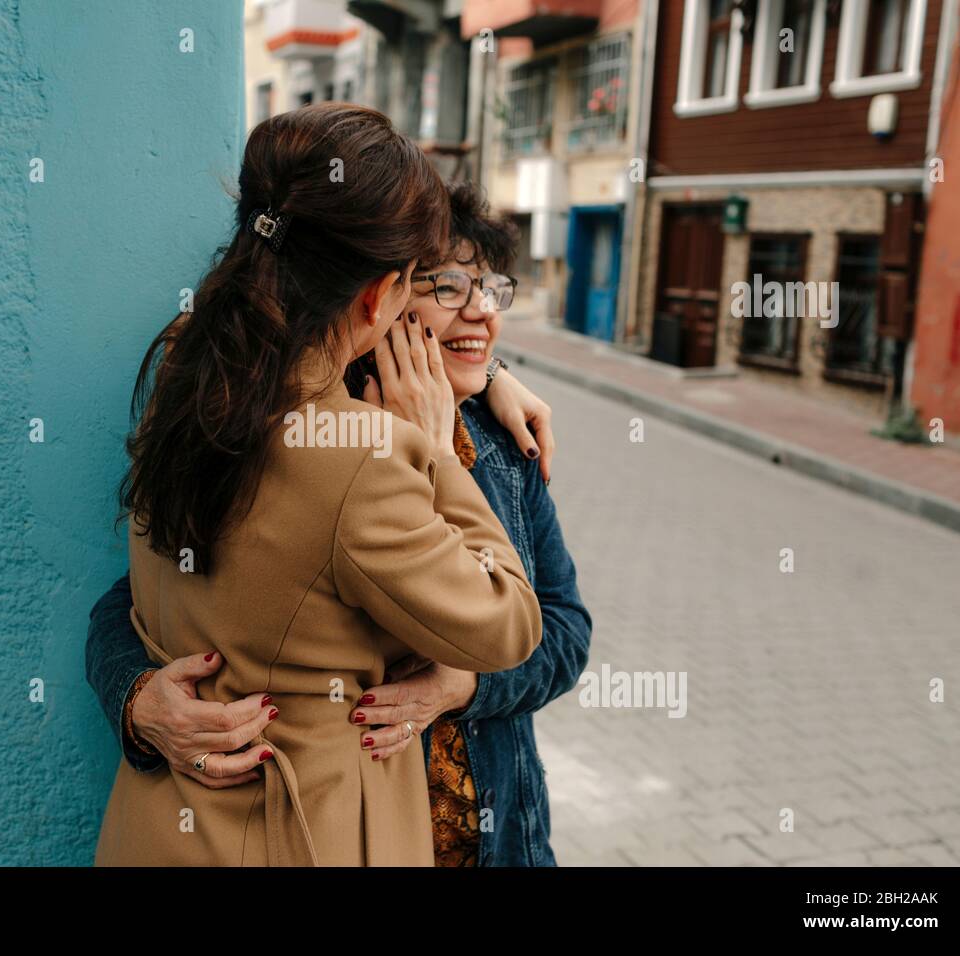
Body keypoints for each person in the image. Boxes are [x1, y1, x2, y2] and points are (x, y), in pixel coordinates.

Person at [89, 178, 591, 866]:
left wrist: (463, 685)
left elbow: (563, 628)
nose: (481, 313)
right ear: (379, 298)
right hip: (346, 830)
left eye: (492, 288)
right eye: (445, 286)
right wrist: (137, 699)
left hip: (494, 836)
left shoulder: (506, 444)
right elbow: (149, 595)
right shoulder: (297, 429)